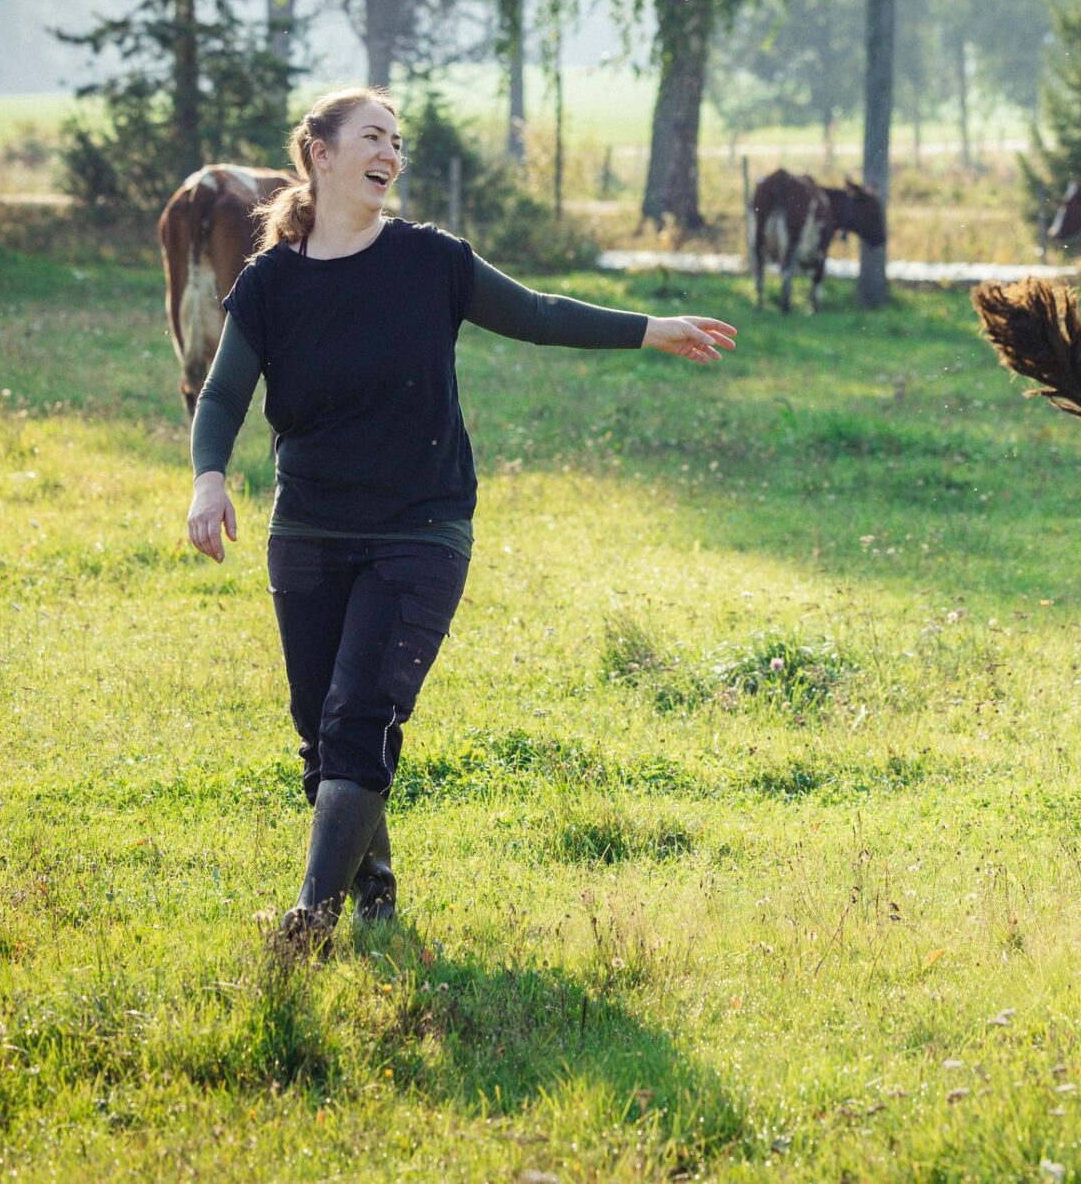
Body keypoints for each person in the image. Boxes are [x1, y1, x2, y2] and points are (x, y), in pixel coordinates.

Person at [184, 87, 735, 944]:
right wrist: (208, 480)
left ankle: (310, 918)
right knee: (319, 729)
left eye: (398, 143)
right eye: (374, 137)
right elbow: (222, 396)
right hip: (310, 528)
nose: (391, 155)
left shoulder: (430, 261)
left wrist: (651, 327)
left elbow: (540, 315)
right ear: (319, 154)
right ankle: (377, 891)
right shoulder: (272, 283)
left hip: (421, 526)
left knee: (359, 711)